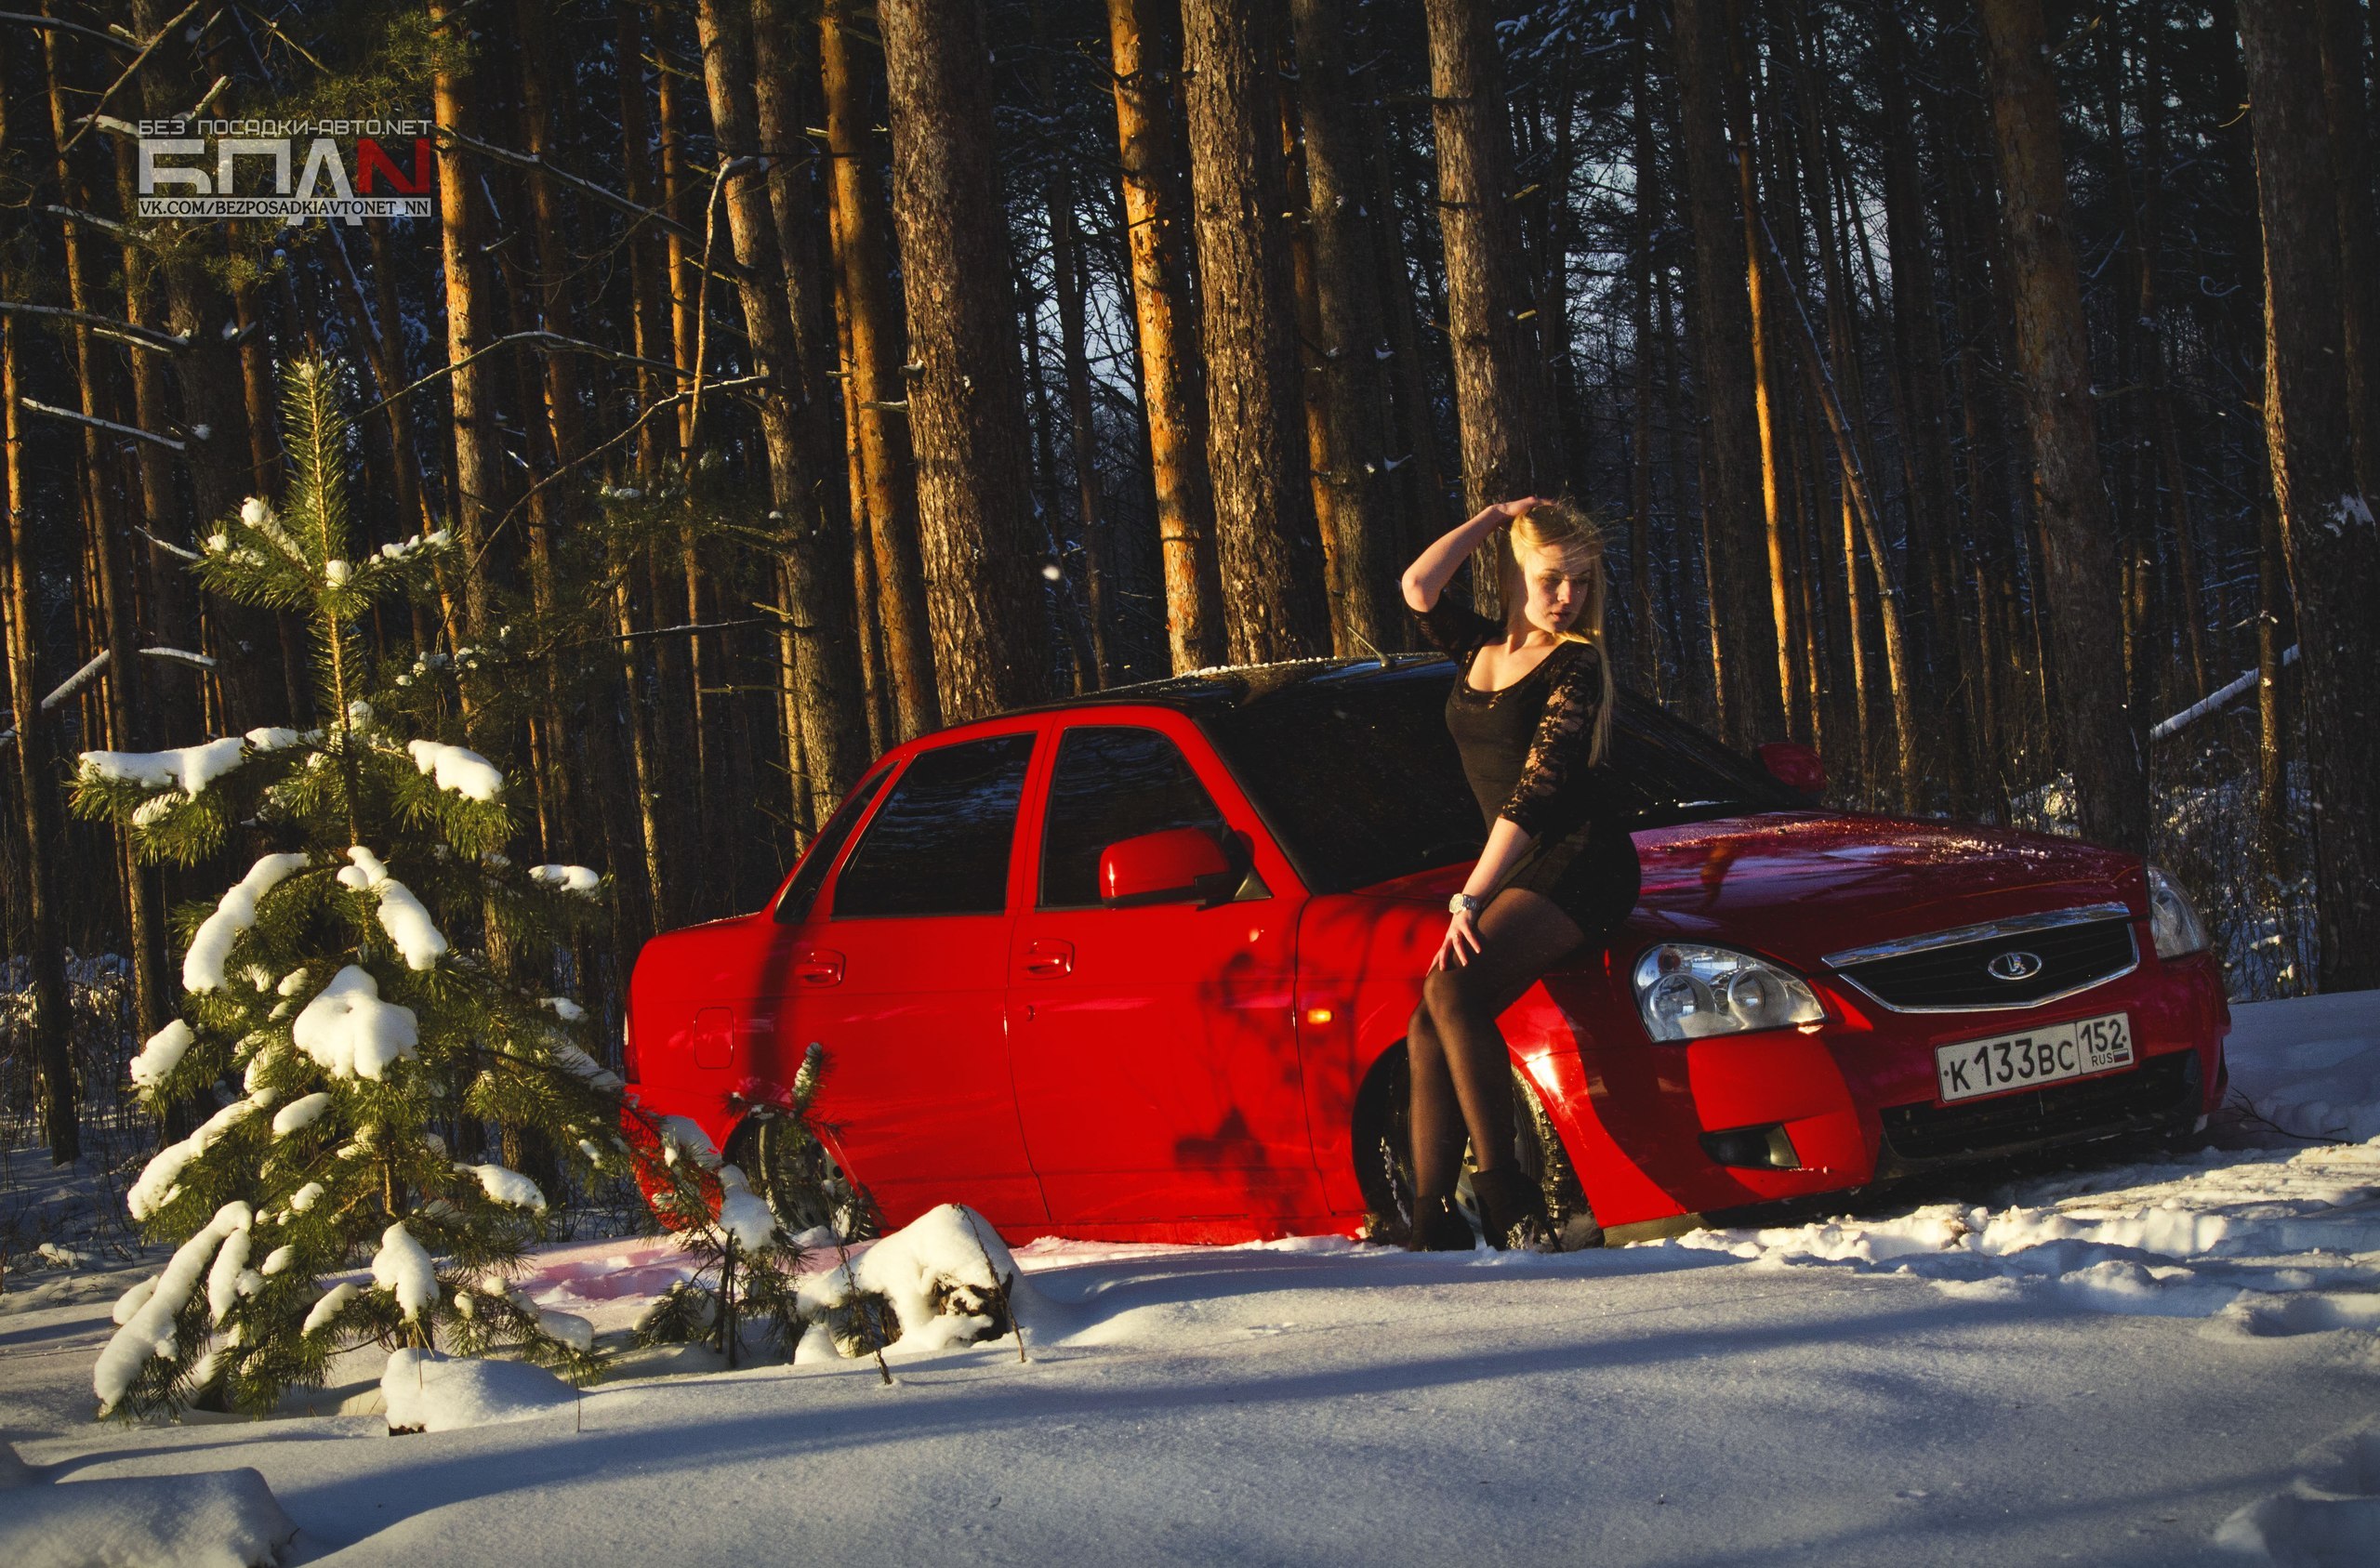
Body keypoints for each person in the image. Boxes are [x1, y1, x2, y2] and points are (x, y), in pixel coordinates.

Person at [1397, 495, 1642, 1251]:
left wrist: (1471, 895)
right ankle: (1432, 1216)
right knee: (1425, 1021)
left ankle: (1505, 1188)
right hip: (1522, 859)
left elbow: (1535, 794)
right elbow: (1417, 585)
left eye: (1581, 581)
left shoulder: (1577, 664)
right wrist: (1493, 518)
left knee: (1450, 987)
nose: (1567, 595)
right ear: (1513, 574)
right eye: (1550, 578)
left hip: (1581, 858)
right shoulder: (1476, 645)